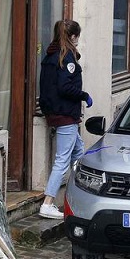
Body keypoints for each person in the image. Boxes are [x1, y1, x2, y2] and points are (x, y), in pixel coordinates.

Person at [38, 19, 92, 219]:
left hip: (55, 112)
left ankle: (81, 195)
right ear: (72, 37)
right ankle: (48, 202)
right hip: (65, 115)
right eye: (77, 37)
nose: (78, 40)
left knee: (78, 153)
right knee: (62, 160)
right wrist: (83, 95)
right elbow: (65, 87)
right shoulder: (66, 58)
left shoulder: (50, 55)